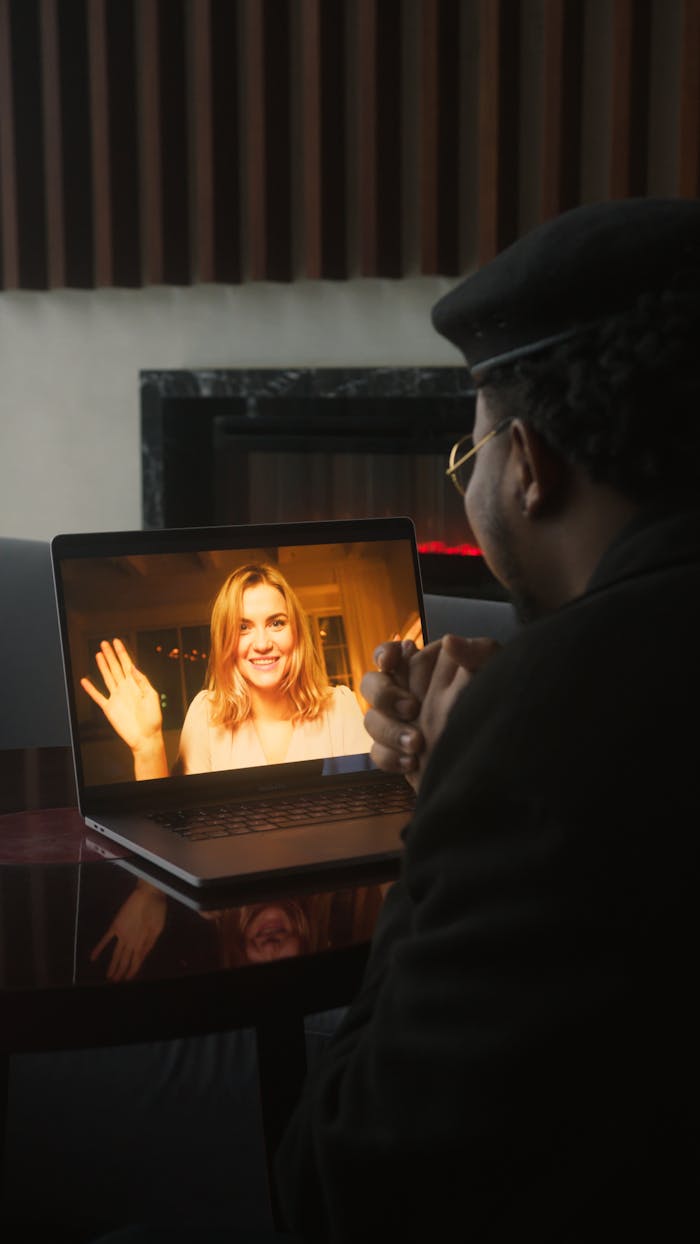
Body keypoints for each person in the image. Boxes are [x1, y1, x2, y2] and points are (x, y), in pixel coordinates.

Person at [92, 198, 700, 1244]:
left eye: (467, 465)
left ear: (527, 463)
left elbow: (338, 1184)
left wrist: (456, 790)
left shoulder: (537, 721)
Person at [80, 562, 370, 780]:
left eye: (276, 623)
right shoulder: (206, 713)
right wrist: (148, 747)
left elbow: (374, 807)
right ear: (225, 641)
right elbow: (174, 826)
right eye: (243, 627)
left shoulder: (340, 706)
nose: (262, 643)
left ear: (297, 633)